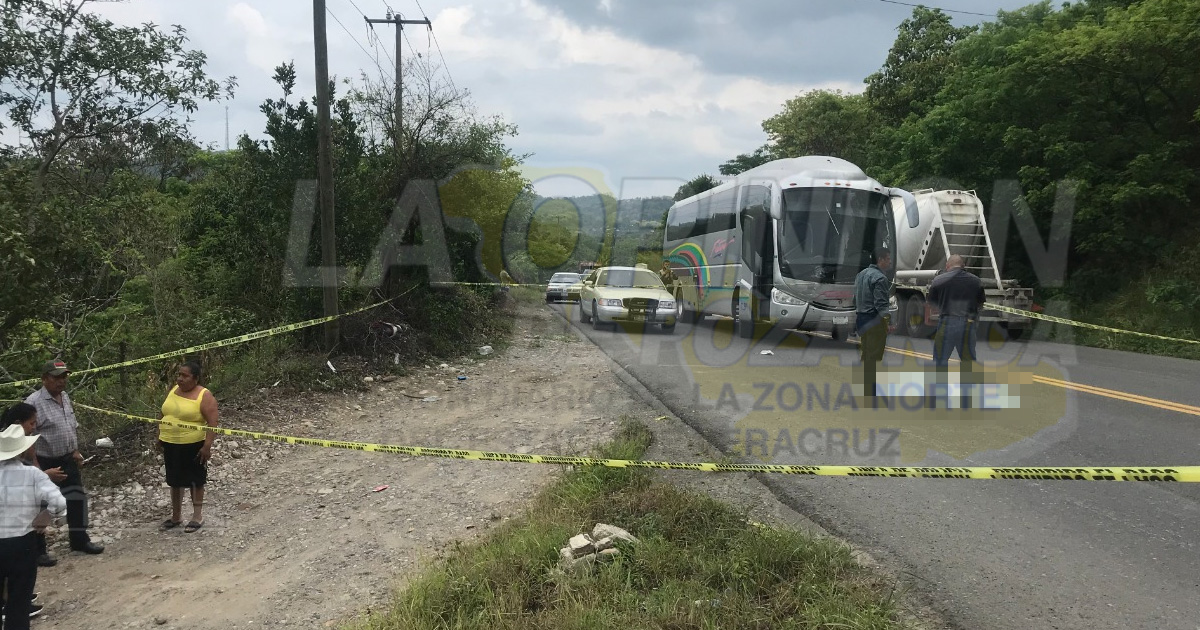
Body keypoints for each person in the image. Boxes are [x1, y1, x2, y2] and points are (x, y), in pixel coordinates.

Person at [24, 360, 103, 559]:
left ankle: (79, 541)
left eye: (63, 377)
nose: (61, 381)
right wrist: (37, 468)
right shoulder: (33, 403)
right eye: (56, 377)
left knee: (77, 499)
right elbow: (27, 437)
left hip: (67, 458)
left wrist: (75, 450)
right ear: (44, 379)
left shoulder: (65, 397)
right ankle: (38, 551)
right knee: (41, 505)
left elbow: (69, 425)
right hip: (44, 461)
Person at [0, 422, 66, 630]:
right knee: (19, 601)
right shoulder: (34, 475)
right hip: (23, 543)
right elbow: (60, 503)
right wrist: (46, 516)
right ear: (24, 450)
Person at [157, 361, 219, 533]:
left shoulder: (204, 395)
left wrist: (207, 447)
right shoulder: (173, 390)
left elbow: (212, 422)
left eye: (185, 376)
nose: (180, 379)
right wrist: (159, 436)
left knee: (195, 481)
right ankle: (176, 516)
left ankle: (197, 517)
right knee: (174, 481)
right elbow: (163, 413)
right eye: (179, 375)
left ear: (196, 378)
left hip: (193, 445)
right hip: (170, 443)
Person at [926, 254, 986, 408]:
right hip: (968, 323)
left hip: (947, 322)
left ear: (948, 266)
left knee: (940, 360)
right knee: (967, 361)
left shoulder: (939, 280)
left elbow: (931, 303)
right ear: (963, 265)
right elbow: (980, 304)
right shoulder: (975, 281)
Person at [853, 249, 893, 404]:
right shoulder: (880, 278)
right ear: (881, 259)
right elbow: (881, 304)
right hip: (874, 320)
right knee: (874, 356)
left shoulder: (861, 274)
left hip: (861, 319)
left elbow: (855, 298)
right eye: (888, 259)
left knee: (866, 354)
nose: (890, 262)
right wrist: (888, 321)